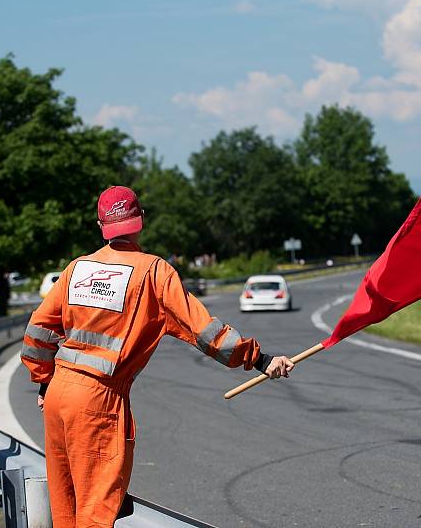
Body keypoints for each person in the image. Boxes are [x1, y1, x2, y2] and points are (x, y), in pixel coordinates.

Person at [21, 186, 294, 527]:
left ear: (100, 224)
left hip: (59, 393)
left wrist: (44, 381)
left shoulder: (77, 269)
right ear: (140, 222)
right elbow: (206, 332)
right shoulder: (154, 272)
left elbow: (37, 332)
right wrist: (259, 359)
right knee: (94, 511)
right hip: (97, 400)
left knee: (65, 505)